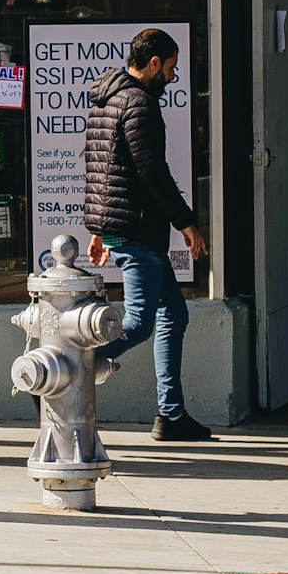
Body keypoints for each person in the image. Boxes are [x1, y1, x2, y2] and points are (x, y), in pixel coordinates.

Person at [81, 27, 213, 442]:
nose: (173, 77)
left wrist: (101, 229)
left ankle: (171, 415)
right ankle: (69, 371)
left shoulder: (107, 98)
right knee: (139, 322)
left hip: (127, 227)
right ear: (154, 63)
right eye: (171, 67)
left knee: (174, 312)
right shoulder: (139, 102)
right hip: (138, 228)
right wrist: (185, 221)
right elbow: (150, 171)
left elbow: (103, 168)